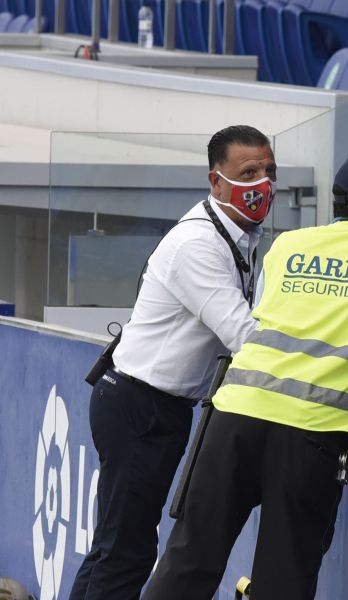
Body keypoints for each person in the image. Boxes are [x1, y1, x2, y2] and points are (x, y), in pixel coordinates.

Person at [142, 150, 348, 600]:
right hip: (311, 433)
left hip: (235, 416)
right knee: (284, 579)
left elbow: (263, 321)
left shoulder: (288, 245)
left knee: (188, 561)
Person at [70, 125, 276, 600]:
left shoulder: (239, 236)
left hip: (149, 406)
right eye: (248, 172)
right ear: (216, 182)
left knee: (114, 547)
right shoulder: (198, 245)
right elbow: (245, 335)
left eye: (269, 171)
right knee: (126, 552)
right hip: (141, 408)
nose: (262, 183)